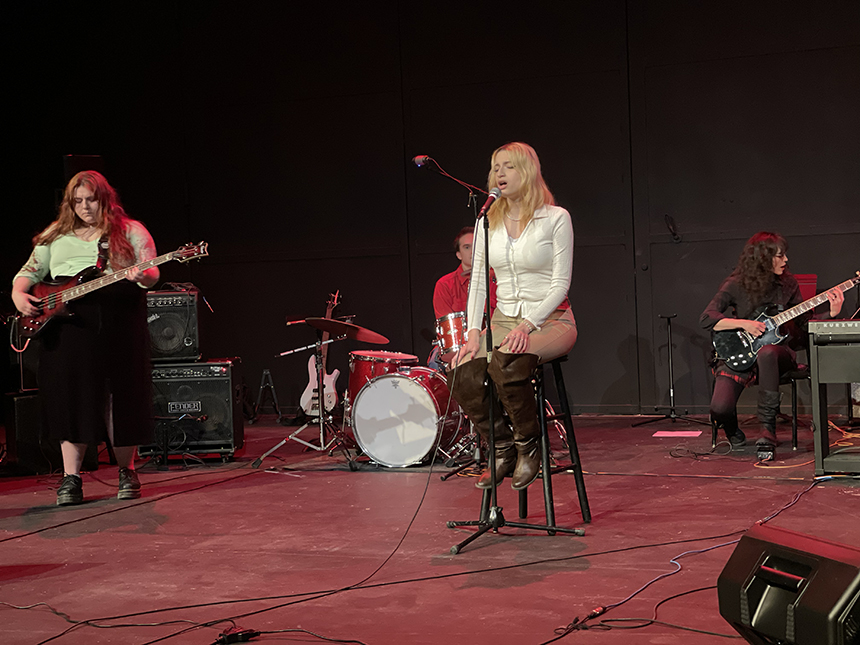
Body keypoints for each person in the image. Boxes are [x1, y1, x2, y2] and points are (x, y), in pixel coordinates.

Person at [12, 170, 159, 505]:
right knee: (70, 396)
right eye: (77, 201)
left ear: (104, 198)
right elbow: (27, 275)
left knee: (119, 396)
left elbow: (151, 273)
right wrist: (19, 296)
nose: (84, 207)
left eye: (90, 199)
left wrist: (142, 275)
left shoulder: (129, 231)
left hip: (118, 319)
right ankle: (71, 478)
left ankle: (127, 471)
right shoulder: (55, 236)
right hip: (68, 326)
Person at [451, 142, 577, 490]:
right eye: (495, 167)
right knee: (462, 371)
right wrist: (474, 330)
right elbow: (478, 281)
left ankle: (529, 447)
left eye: (508, 166)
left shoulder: (555, 218)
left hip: (552, 319)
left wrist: (527, 324)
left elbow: (560, 284)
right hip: (503, 317)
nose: (499, 174)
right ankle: (503, 448)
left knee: (507, 361)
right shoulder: (486, 222)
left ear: (528, 171)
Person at [700, 231, 843, 457]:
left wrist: (831, 314)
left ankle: (768, 431)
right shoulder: (736, 283)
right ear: (762, 258)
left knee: (767, 353)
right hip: (743, 352)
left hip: (778, 354)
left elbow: (806, 323)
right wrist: (744, 324)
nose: (786, 260)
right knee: (720, 409)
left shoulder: (787, 283)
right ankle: (734, 433)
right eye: (780, 256)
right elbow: (707, 318)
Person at [429, 227, 496, 371]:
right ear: (458, 254)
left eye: (477, 246)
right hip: (458, 344)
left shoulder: (498, 280)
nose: (473, 251)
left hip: (494, 339)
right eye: (467, 247)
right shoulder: (444, 284)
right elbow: (448, 330)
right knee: (436, 361)